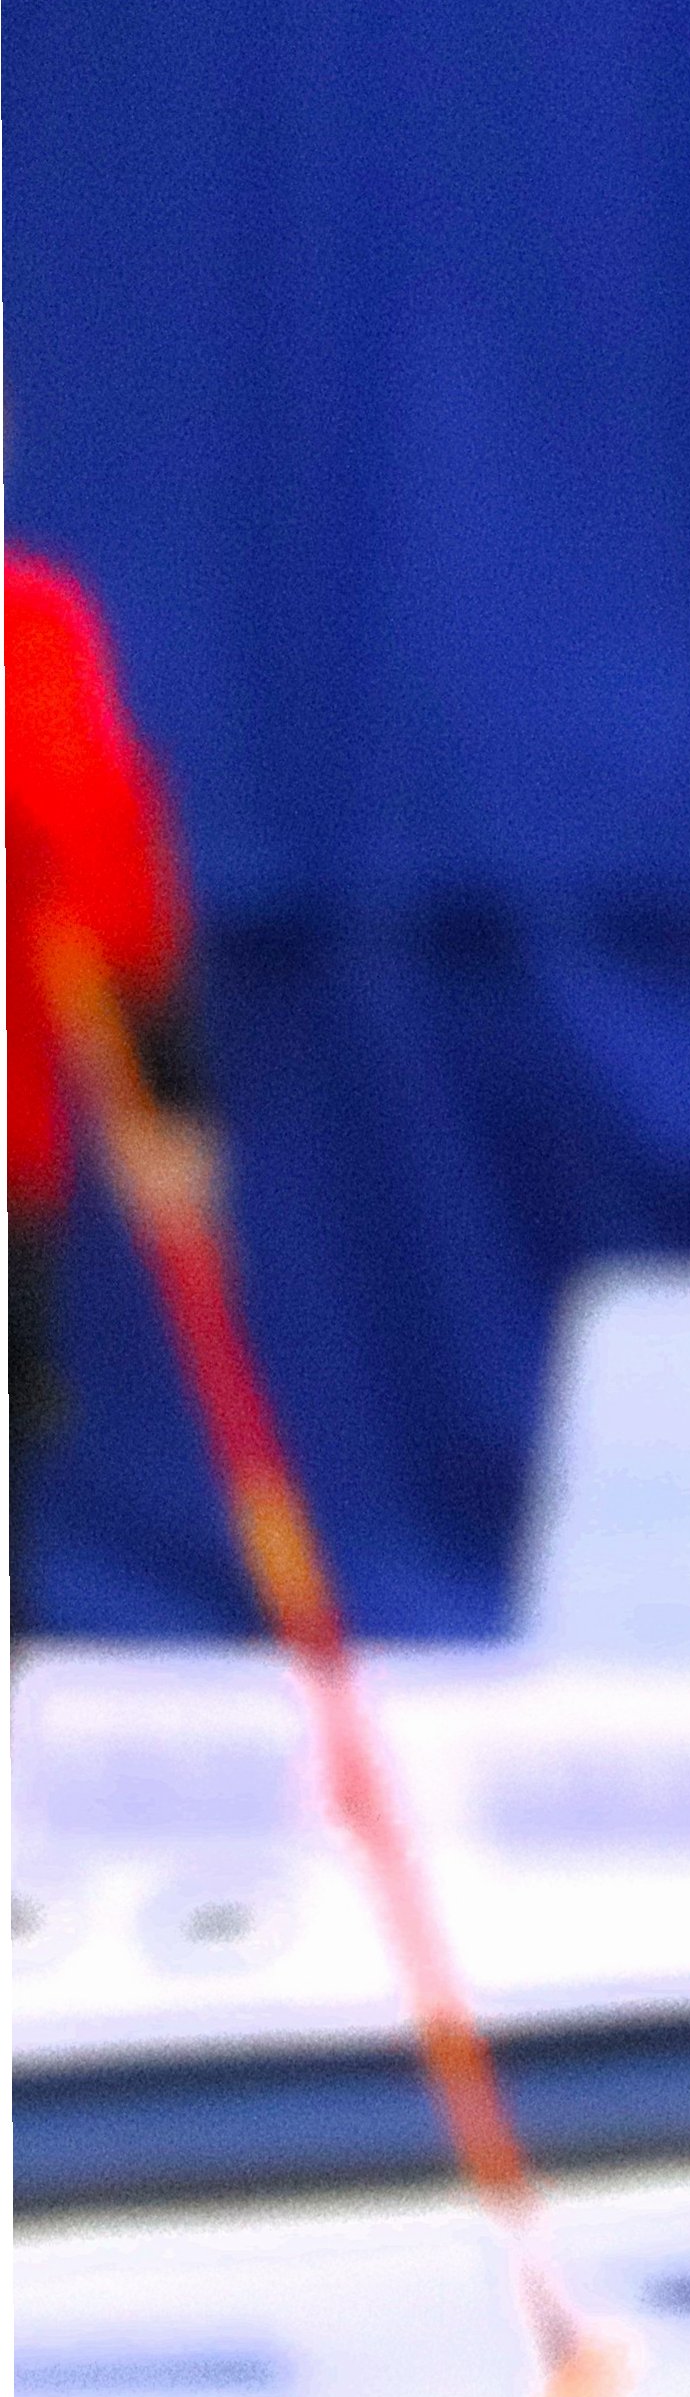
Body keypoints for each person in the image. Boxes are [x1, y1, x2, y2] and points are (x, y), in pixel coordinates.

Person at [7, 542, 215, 1642]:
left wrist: (167, 1092)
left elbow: (91, 834)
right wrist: (172, 1090)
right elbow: (89, 824)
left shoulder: (29, 629)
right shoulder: (28, 629)